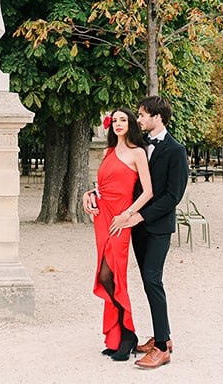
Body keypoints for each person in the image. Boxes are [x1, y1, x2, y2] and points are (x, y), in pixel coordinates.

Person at [121, 95, 189, 369]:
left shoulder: (176, 150)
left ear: (157, 116)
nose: (138, 119)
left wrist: (141, 216)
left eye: (142, 115)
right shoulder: (139, 144)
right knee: (149, 282)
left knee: (153, 280)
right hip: (138, 228)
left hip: (158, 227)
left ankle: (162, 348)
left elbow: (173, 196)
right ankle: (163, 337)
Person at [82, 108, 153, 361]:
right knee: (104, 274)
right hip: (102, 217)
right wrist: (87, 195)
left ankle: (127, 333)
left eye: (123, 120)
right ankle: (119, 335)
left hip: (121, 220)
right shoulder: (107, 152)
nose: (118, 124)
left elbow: (148, 192)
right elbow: (100, 186)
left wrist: (128, 215)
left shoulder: (137, 153)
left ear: (131, 123)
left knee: (112, 274)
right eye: (114, 121)